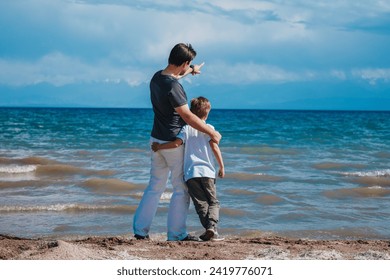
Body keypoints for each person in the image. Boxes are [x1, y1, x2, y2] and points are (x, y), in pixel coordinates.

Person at [133, 43, 221, 241]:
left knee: (154, 186)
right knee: (181, 189)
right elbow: (188, 116)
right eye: (188, 64)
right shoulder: (174, 87)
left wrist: (191, 71)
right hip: (173, 142)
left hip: (155, 139)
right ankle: (176, 234)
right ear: (184, 62)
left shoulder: (157, 77)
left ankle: (140, 231)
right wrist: (212, 133)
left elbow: (176, 75)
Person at [152, 97, 225, 241]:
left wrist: (159, 146)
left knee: (201, 204)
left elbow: (176, 144)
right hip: (207, 172)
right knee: (213, 202)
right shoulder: (209, 128)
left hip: (191, 173)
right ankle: (212, 228)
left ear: (191, 112)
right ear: (207, 113)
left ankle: (210, 230)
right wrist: (222, 166)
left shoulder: (186, 128)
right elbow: (214, 147)